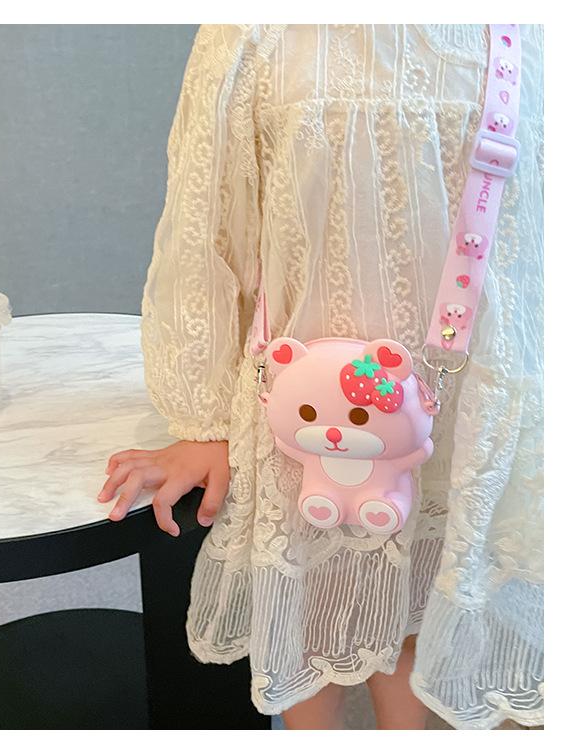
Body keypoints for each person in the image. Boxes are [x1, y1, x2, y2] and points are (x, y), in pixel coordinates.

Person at [97, 24, 543, 730]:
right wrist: (201, 416)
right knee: (309, 595)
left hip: (465, 387)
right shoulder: (254, 30)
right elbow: (205, 219)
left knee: (428, 574)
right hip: (301, 394)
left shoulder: (524, 31)